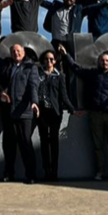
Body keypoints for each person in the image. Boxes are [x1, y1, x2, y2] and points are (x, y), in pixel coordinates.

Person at [57, 41, 108, 180]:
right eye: (102, 60)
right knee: (98, 145)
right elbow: (76, 68)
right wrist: (66, 56)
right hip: (95, 114)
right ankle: (100, 172)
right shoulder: (92, 74)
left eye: (107, 60)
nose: (104, 62)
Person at [0, 27, 41, 184]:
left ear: (23, 52)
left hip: (24, 111)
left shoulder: (31, 67)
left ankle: (31, 175)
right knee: (8, 145)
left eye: (18, 51)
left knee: (26, 143)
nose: (16, 53)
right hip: (8, 110)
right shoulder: (6, 65)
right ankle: (8, 174)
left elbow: (33, 86)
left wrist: (35, 102)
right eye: (13, 51)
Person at [35, 48, 78, 181]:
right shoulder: (38, 74)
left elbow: (64, 96)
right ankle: (46, 170)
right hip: (41, 112)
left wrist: (73, 109)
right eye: (46, 59)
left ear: (55, 61)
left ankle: (54, 172)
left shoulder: (60, 76)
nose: (49, 61)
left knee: (54, 142)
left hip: (54, 112)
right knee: (43, 141)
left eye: (51, 59)